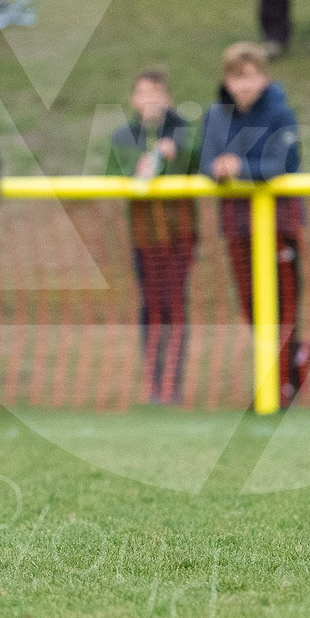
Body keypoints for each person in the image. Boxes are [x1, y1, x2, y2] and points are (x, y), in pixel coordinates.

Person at [200, 42, 310, 408]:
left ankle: (279, 385)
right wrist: (218, 168)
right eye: (235, 78)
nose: (242, 85)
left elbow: (284, 163)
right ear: (226, 81)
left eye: (249, 77)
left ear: (264, 78)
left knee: (282, 303)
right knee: (252, 308)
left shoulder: (280, 113)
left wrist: (240, 169)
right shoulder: (216, 115)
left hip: (279, 222)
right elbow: (207, 162)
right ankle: (289, 366)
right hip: (238, 223)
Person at [106, 69, 199, 404]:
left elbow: (196, 158)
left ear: (168, 98)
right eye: (143, 93)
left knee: (174, 303)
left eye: (157, 93)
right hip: (144, 236)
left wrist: (175, 153)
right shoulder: (123, 135)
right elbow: (112, 173)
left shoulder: (185, 132)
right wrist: (137, 167)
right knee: (151, 305)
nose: (150, 100)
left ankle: (172, 383)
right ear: (134, 99)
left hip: (179, 235)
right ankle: (152, 381)